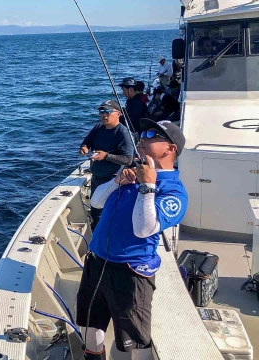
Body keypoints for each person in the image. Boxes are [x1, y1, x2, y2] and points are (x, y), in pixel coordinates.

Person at [76, 119, 188, 360]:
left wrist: (147, 185)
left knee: (133, 342)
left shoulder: (174, 191)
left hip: (130, 271)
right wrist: (118, 181)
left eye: (152, 135)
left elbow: (143, 229)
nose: (143, 138)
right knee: (90, 327)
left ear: (171, 149)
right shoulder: (130, 174)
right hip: (97, 263)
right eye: (143, 132)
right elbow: (96, 202)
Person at [79, 100, 135, 230]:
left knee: (109, 214)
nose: (104, 115)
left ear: (118, 114)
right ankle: (96, 243)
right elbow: (87, 141)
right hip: (96, 179)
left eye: (108, 111)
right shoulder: (98, 127)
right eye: (102, 112)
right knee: (95, 212)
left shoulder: (123, 133)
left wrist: (106, 156)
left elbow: (128, 159)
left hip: (112, 181)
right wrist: (84, 148)